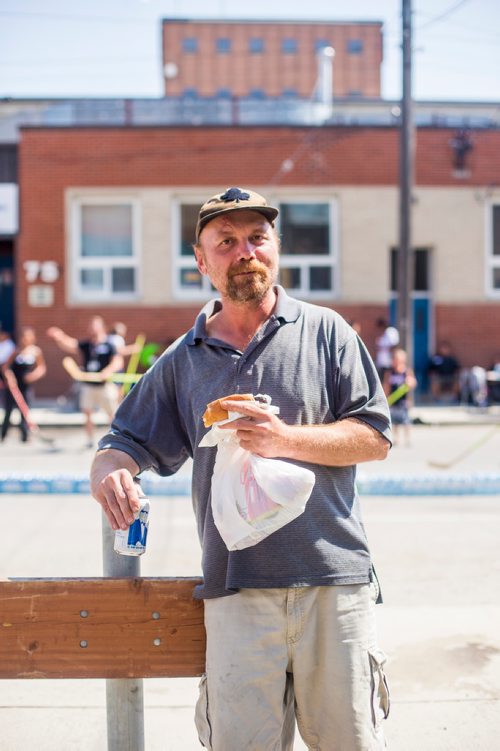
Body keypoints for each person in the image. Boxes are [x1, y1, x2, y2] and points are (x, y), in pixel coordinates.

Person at [90, 187, 392, 750]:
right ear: (202, 262)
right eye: (226, 242)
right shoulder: (183, 359)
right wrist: (110, 470)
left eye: (257, 237)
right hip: (236, 593)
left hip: (335, 584)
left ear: (276, 248)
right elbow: (122, 441)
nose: (245, 251)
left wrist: (285, 439)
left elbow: (374, 438)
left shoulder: (329, 333)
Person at [47, 316, 123, 448]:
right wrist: (59, 336)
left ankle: (116, 439)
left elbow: (118, 361)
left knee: (112, 414)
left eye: (95, 326)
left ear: (102, 328)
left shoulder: (109, 344)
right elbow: (70, 344)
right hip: (88, 385)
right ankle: (90, 439)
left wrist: (107, 372)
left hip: (104, 384)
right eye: (91, 326)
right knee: (87, 413)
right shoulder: (87, 344)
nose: (92, 329)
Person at [1, 326, 46, 442]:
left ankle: (24, 436)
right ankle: (3, 435)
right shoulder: (16, 351)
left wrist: (33, 376)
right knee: (8, 411)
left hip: (26, 386)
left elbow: (41, 368)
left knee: (24, 412)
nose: (25, 339)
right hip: (13, 387)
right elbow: (5, 367)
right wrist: (9, 377)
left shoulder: (35, 352)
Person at [383, 347, 417, 447]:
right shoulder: (390, 372)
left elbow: (413, 382)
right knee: (395, 422)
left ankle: (408, 438)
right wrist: (386, 398)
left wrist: (410, 383)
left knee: (406, 421)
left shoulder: (406, 371)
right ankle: (396, 438)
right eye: (395, 359)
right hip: (393, 400)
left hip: (403, 401)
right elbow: (386, 385)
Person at [374, 317, 399, 382]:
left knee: (387, 380)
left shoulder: (390, 331)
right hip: (382, 362)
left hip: (388, 361)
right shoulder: (384, 334)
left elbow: (394, 345)